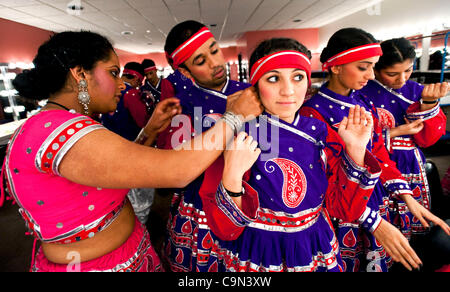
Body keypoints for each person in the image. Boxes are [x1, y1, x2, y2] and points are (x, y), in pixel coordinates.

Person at [3, 30, 262, 272]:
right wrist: (234, 117)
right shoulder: (57, 132)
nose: (121, 85)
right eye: (113, 73)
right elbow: (177, 171)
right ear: (80, 74)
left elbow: (115, 173)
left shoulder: (61, 125)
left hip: (126, 252)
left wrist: (149, 131)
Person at [198, 38, 383, 272]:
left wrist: (356, 150)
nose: (288, 90)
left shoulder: (320, 131)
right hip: (260, 250)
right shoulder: (236, 134)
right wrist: (232, 176)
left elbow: (344, 210)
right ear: (254, 86)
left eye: (298, 77)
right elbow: (226, 229)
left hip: (314, 245)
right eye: (273, 78)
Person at [301, 28, 449, 272]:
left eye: (373, 66)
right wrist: (373, 221)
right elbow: (325, 183)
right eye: (363, 67)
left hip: (374, 198)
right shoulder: (312, 113)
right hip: (345, 212)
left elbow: (378, 153)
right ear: (335, 67)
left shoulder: (360, 102)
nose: (370, 76)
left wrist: (407, 197)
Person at [159, 20, 253, 272]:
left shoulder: (251, 94)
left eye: (214, 50)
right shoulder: (181, 107)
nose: (215, 64)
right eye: (200, 61)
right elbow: (179, 171)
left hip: (249, 197)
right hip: (202, 201)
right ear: (186, 72)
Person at [358, 37, 449, 238]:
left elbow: (428, 140)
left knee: (413, 222)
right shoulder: (361, 92)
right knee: (381, 220)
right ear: (375, 69)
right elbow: (352, 139)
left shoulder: (418, 91)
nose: (402, 79)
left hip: (410, 164)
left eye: (408, 70)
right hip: (377, 163)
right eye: (392, 74)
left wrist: (429, 103)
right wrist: (395, 132)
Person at [101, 62, 148, 141]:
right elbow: (142, 122)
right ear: (136, 79)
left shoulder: (107, 89)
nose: (138, 86)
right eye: (139, 83)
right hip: (126, 143)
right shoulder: (131, 93)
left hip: (106, 138)